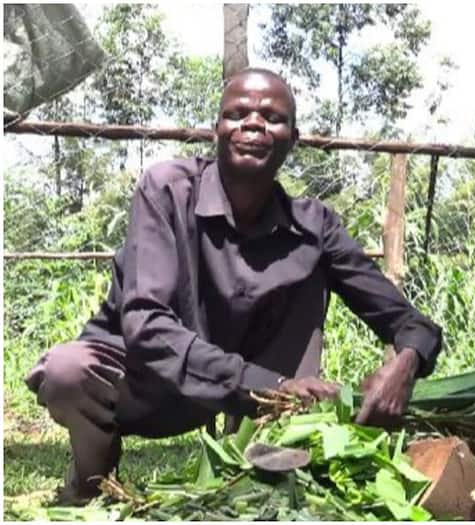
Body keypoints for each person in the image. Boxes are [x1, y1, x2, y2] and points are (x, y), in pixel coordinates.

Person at [24, 67, 443, 504]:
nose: (254, 123)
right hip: (149, 384)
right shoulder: (166, 191)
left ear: (293, 138)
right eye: (238, 113)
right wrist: (267, 384)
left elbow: (410, 322)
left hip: (257, 407)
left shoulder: (314, 226)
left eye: (272, 117)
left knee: (309, 262)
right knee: (66, 371)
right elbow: (146, 327)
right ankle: (92, 485)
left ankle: (260, 474)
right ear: (217, 130)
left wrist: (406, 361)